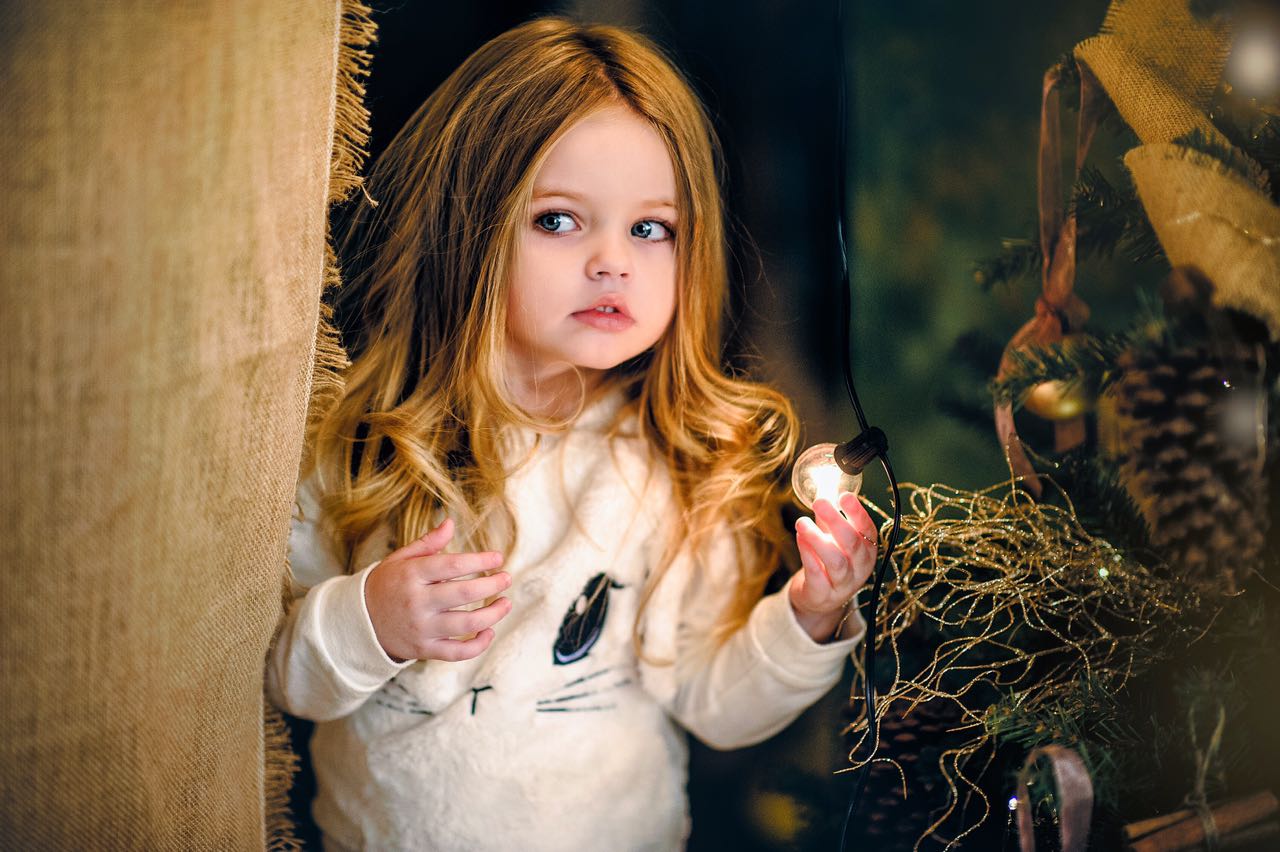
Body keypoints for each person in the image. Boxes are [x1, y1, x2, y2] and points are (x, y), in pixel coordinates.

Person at [267, 16, 879, 851]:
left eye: (650, 228)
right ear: (470, 227)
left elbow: (714, 706)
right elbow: (288, 682)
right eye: (559, 220)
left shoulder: (669, 468)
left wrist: (809, 614)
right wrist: (368, 619)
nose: (612, 261)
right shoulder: (362, 446)